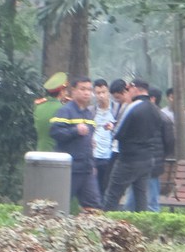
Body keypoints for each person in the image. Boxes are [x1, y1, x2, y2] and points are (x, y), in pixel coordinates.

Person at [107, 79, 165, 212]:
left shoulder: (132, 107)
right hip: (147, 159)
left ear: (134, 88)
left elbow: (117, 133)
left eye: (128, 89)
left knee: (113, 195)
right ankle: (141, 226)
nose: (127, 92)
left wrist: (112, 128)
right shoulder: (154, 109)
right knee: (141, 198)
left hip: (128, 159)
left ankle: (104, 225)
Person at [50, 78, 104, 210]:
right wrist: (75, 131)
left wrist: (92, 164)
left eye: (89, 90)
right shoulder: (65, 111)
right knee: (59, 206)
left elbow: (88, 141)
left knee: (94, 206)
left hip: (86, 169)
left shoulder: (89, 114)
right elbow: (55, 132)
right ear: (73, 91)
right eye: (82, 89)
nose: (87, 93)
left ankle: (89, 230)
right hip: (69, 169)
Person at [33, 72, 69, 152]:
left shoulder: (38, 106)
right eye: (65, 90)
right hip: (57, 154)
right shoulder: (63, 109)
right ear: (62, 91)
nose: (66, 93)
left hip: (40, 151)